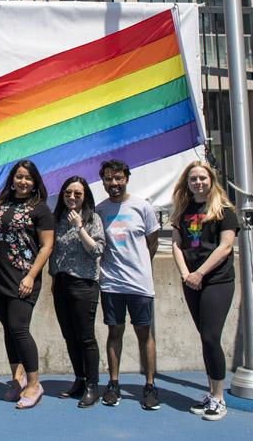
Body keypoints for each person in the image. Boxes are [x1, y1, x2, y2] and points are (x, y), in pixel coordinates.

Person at [0, 160, 54, 410]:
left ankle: (34, 383)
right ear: (12, 179)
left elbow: (47, 246)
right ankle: (16, 380)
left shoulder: (40, 209)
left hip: (23, 278)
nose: (23, 181)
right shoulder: (2, 204)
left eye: (28, 178)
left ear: (35, 181)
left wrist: (31, 276)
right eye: (19, 177)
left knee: (20, 329)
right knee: (8, 329)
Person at [171, 161, 239, 421]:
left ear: (211, 180)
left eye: (202, 178)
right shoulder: (183, 210)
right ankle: (211, 394)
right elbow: (177, 244)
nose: (198, 183)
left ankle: (219, 398)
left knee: (211, 337)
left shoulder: (223, 210)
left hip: (217, 281)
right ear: (186, 183)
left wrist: (200, 273)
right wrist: (186, 274)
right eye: (193, 179)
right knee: (205, 338)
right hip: (191, 281)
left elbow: (225, 247)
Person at [95, 160, 160, 410]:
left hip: (140, 284)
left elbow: (152, 243)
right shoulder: (100, 211)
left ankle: (150, 385)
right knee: (115, 333)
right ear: (103, 181)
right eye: (109, 179)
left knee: (145, 334)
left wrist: (140, 266)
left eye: (118, 178)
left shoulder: (142, 207)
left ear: (127, 179)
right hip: (111, 284)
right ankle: (113, 384)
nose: (114, 183)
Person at [49, 176, 105, 408]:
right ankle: (79, 380)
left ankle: (93, 385)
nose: (72, 198)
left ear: (85, 197)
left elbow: (98, 249)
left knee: (85, 337)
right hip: (60, 283)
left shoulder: (93, 218)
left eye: (77, 194)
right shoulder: (57, 218)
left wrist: (80, 228)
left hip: (83, 284)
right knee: (69, 336)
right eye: (68, 193)